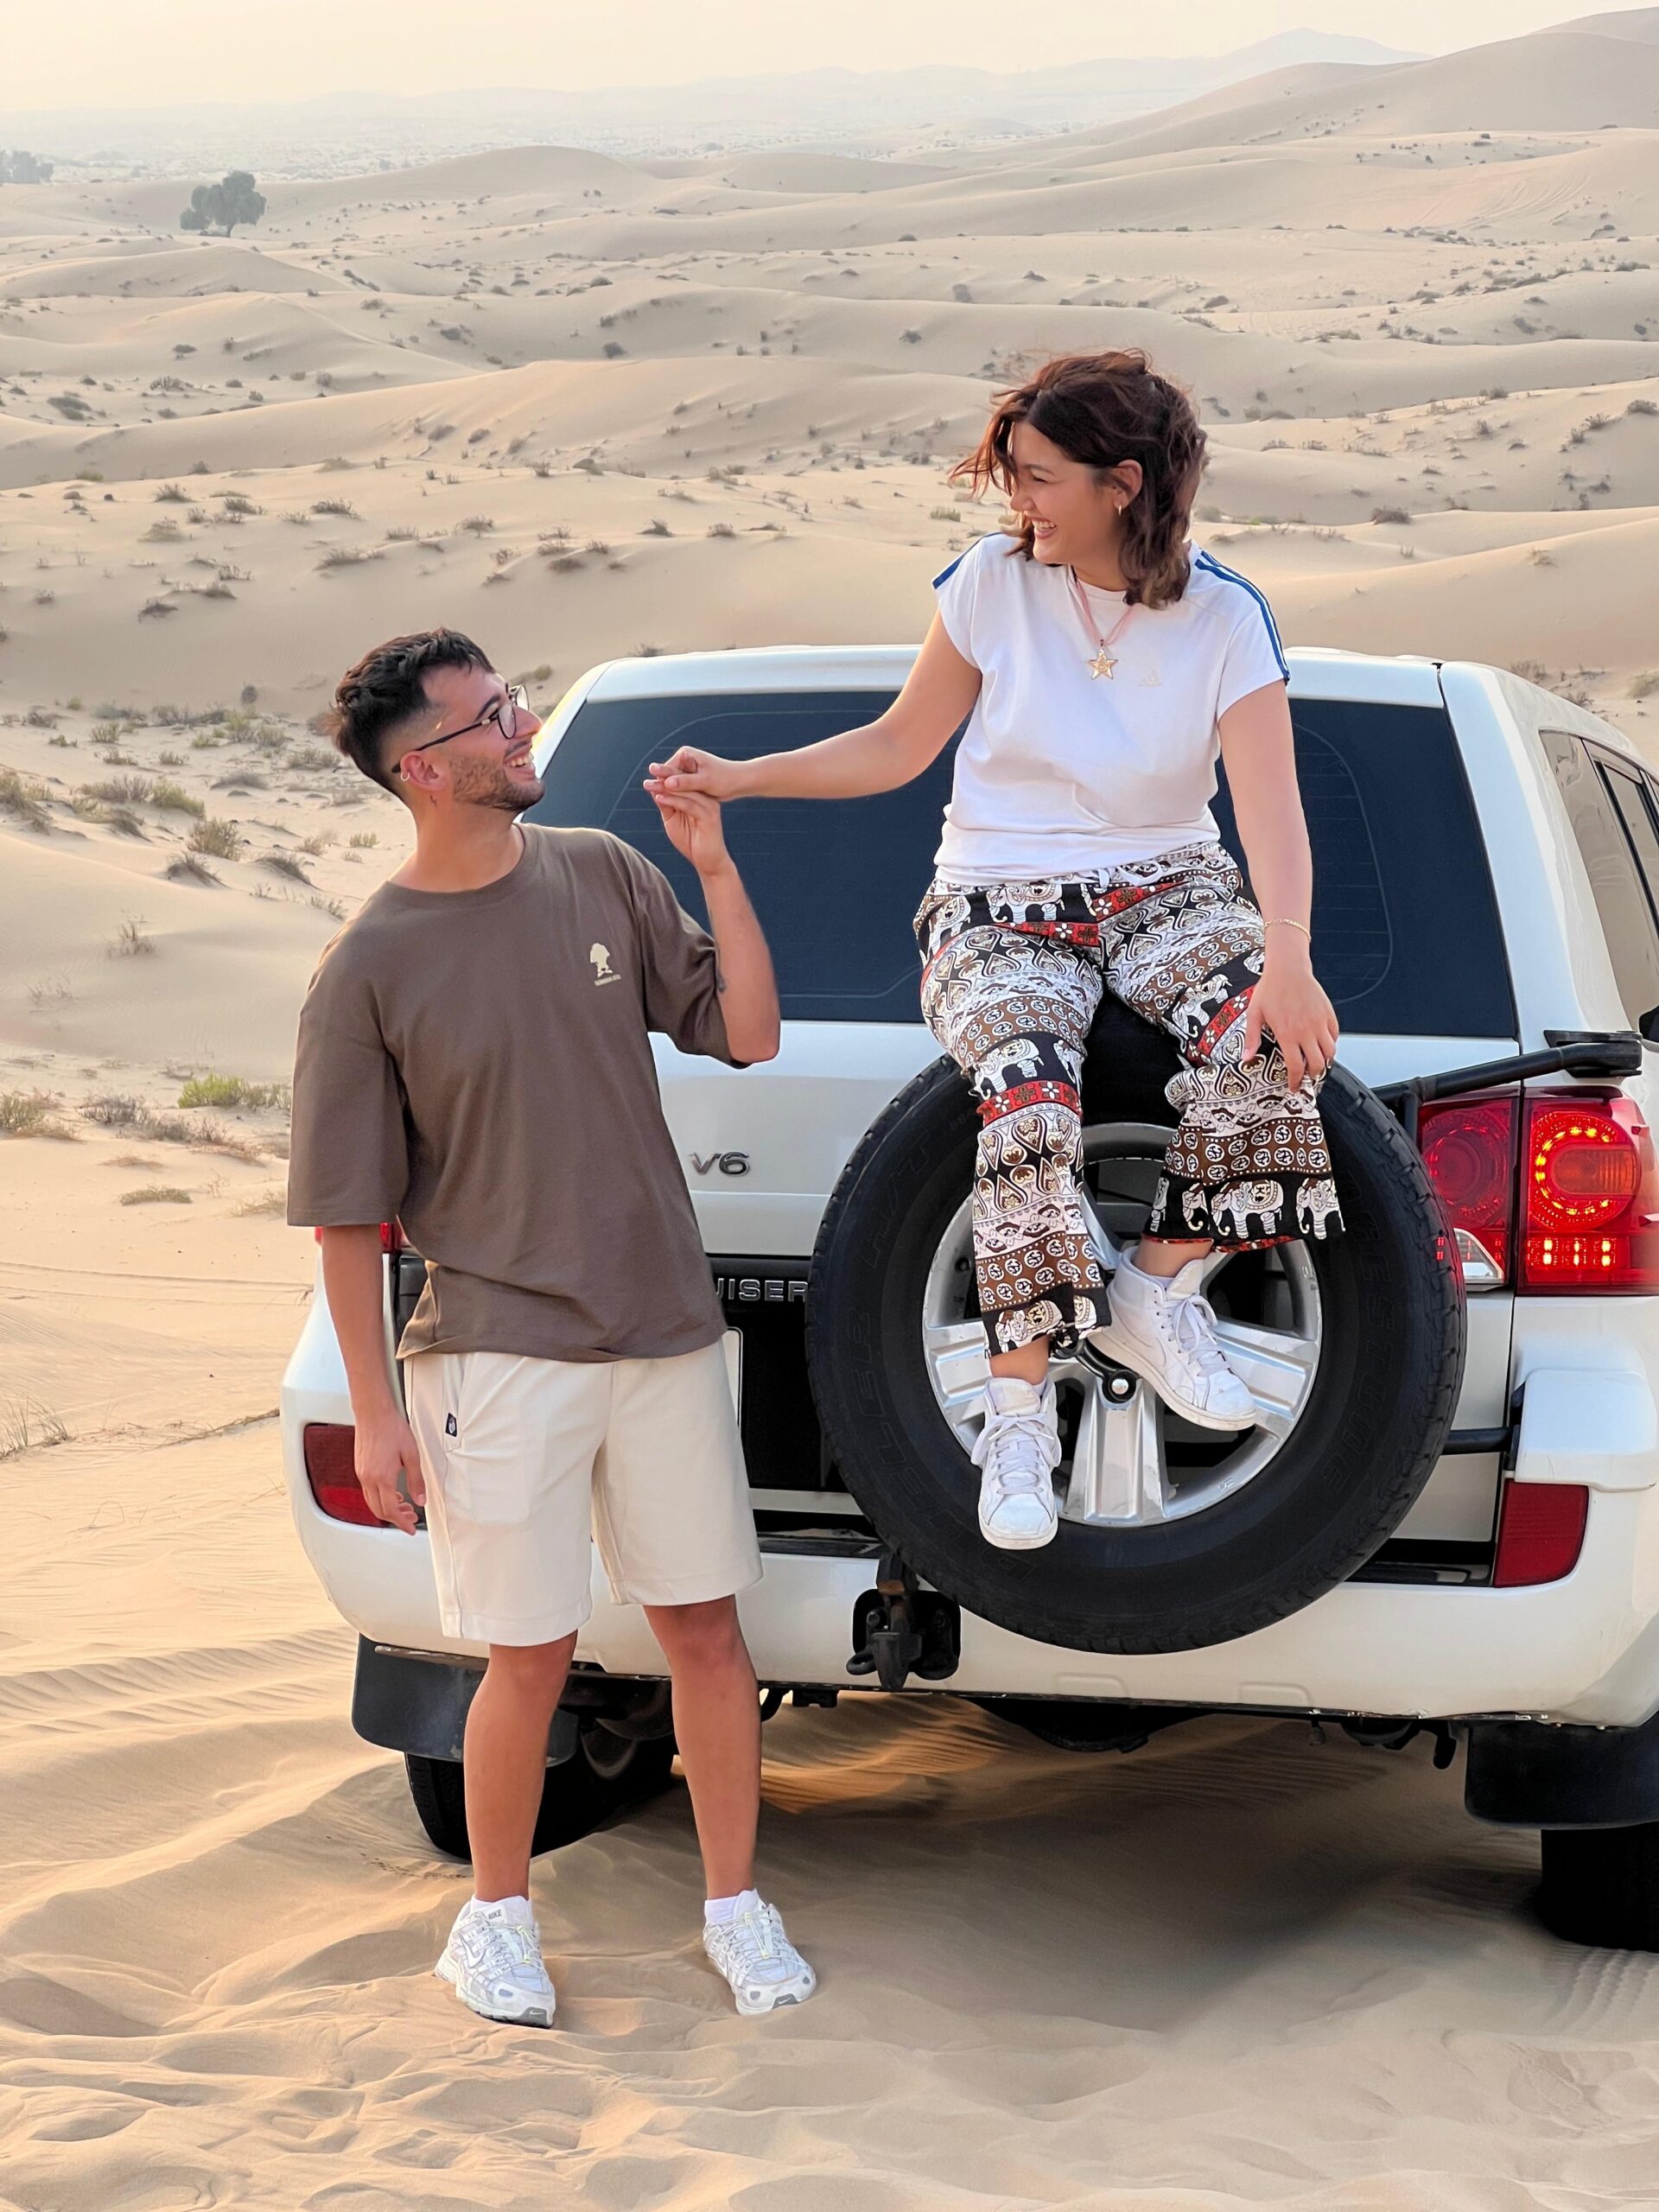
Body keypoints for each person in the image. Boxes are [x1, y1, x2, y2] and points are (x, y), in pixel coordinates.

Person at [646, 349, 1344, 1554]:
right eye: (1012, 474)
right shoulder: (989, 584)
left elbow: (1270, 808)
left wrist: (1289, 958)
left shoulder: (1228, 617)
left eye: (1040, 477)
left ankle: (1155, 1286)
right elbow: (897, 745)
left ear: (1125, 482)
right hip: (997, 899)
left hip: (1173, 889)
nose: (1019, 500)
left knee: (1269, 1044)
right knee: (1027, 1097)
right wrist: (745, 779)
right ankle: (1018, 1422)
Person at [286, 628, 816, 2026]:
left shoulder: (602, 870)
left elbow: (750, 1033)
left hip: (662, 1332)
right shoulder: (367, 968)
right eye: (490, 717)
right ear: (424, 768)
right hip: (493, 1350)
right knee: (527, 1656)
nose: (521, 727)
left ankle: (736, 1911)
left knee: (707, 1636)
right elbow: (345, 1218)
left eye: (511, 700)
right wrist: (377, 1416)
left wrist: (714, 868)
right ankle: (496, 1923)